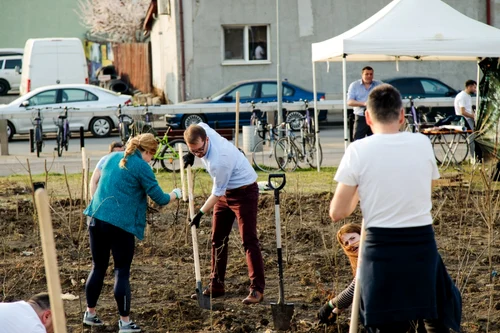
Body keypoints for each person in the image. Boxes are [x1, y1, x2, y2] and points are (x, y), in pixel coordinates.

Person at [329, 84, 461, 333]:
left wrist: (362, 186)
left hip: (381, 249)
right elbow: (428, 185)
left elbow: (338, 212)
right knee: (433, 316)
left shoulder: (358, 149)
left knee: (386, 324)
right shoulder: (422, 143)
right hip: (422, 245)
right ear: (401, 115)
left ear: (367, 117)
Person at [83, 133, 182, 333]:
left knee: (98, 266)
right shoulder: (141, 166)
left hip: (95, 218)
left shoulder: (111, 158)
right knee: (121, 270)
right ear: (146, 151)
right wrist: (176, 194)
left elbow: (99, 182)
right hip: (119, 225)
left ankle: (90, 314)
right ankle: (125, 323)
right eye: (151, 155)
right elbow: (160, 198)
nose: (151, 160)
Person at [183, 123, 265, 304]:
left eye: (199, 150)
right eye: (193, 151)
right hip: (224, 192)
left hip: (244, 192)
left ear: (207, 140)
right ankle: (216, 284)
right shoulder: (202, 129)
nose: (198, 154)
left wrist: (200, 214)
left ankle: (257, 289)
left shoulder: (219, 160)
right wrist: (190, 154)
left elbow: (217, 193)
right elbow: (197, 125)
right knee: (217, 238)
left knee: (249, 240)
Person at [317, 224, 428, 332]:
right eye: (346, 242)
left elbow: (355, 289)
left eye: (353, 238)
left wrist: (329, 306)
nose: (351, 244)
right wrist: (336, 311)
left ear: (362, 235)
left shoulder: (375, 253)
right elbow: (358, 290)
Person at [347, 66, 383, 141]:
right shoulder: (354, 85)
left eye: (371, 74)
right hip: (361, 117)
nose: (369, 76)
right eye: (366, 74)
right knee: (357, 141)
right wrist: (364, 104)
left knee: (376, 141)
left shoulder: (379, 84)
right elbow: (350, 102)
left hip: (375, 116)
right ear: (362, 75)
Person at [454, 79, 477, 161]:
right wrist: (473, 117)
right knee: (472, 137)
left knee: (477, 135)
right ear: (469, 87)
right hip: (464, 119)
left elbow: (469, 109)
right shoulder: (462, 96)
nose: (475, 89)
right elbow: (462, 112)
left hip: (469, 118)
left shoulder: (468, 96)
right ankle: (473, 158)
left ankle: (476, 155)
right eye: (474, 87)